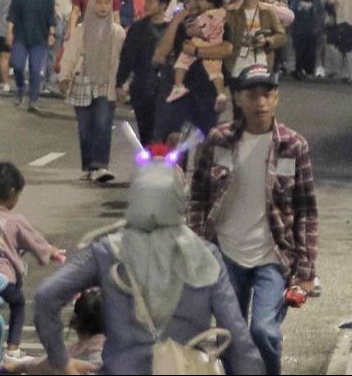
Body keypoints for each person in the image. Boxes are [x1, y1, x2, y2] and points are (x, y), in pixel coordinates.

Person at [34, 160, 263, 375]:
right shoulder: (204, 255)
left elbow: (46, 296)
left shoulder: (108, 250)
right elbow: (236, 335)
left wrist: (60, 359)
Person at [188, 64, 319, 376]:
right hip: (224, 254)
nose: (260, 101)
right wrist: (194, 251)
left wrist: (306, 271)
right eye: (252, 94)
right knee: (231, 336)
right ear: (238, 98)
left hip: (272, 255)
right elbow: (197, 199)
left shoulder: (293, 145)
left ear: (276, 99)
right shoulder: (218, 140)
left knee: (264, 330)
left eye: (267, 94)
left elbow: (306, 211)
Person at [0, 162, 66, 363]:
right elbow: (36, 243)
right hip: (3, 281)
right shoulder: (14, 221)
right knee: (18, 302)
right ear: (12, 192)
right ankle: (13, 348)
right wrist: (52, 252)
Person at [59, 0, 125, 184]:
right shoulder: (81, 30)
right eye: (99, 2)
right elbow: (70, 54)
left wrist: (123, 85)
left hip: (107, 83)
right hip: (82, 82)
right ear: (91, 5)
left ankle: (100, 165)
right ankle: (89, 166)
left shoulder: (117, 32)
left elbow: (122, 60)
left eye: (107, 3)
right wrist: (64, 76)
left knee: (102, 125)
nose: (103, 7)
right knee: (86, 128)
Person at [115, 0, 171, 148]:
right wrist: (119, 83)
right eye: (146, 1)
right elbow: (127, 57)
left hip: (167, 88)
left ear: (163, 5)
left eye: (152, 1)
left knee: (165, 133)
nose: (146, 4)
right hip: (142, 87)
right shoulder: (138, 28)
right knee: (146, 132)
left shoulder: (173, 28)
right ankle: (151, 169)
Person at [5, 0, 55, 112]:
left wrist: (51, 34)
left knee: (35, 69)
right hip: (21, 35)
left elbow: (50, 15)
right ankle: (20, 88)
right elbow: (13, 13)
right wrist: (9, 32)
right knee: (18, 65)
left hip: (39, 37)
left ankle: (33, 99)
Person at [167, 0, 226, 104]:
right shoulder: (223, 14)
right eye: (187, 0)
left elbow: (198, 31)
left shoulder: (205, 16)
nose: (193, 4)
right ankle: (221, 93)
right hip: (200, 80)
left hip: (204, 87)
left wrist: (193, 41)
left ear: (209, 1)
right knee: (215, 71)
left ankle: (178, 86)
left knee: (182, 61)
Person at [227, 0, 287, 83]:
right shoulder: (230, 12)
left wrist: (267, 41)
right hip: (236, 63)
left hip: (261, 62)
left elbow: (282, 36)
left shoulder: (268, 12)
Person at [290, 0, 325, 79]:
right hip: (299, 27)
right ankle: (298, 69)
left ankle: (309, 70)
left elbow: (320, 13)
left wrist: (318, 26)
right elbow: (292, 10)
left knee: (311, 50)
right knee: (299, 49)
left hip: (311, 27)